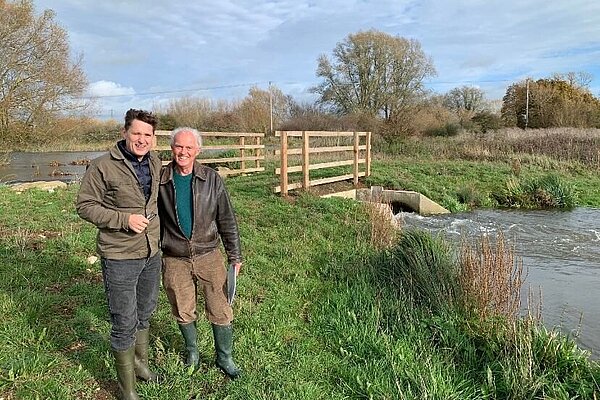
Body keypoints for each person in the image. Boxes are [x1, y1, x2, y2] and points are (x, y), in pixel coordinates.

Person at [76, 109, 162, 400]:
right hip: (120, 254)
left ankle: (141, 365)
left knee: (145, 310)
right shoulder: (102, 166)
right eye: (136, 133)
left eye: (147, 135)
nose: (141, 139)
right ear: (125, 132)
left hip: (152, 251)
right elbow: (85, 205)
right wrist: (124, 220)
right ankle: (127, 391)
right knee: (124, 320)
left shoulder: (155, 162)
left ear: (153, 138)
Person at [158, 127, 242, 379]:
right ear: (171, 148)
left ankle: (224, 357)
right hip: (174, 257)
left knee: (220, 306)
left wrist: (235, 255)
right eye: (178, 147)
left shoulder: (212, 178)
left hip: (209, 254)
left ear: (198, 151)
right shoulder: (161, 180)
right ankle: (192, 352)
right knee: (183, 308)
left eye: (188, 148)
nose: (183, 152)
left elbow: (227, 218)